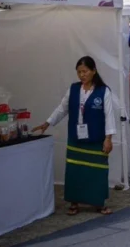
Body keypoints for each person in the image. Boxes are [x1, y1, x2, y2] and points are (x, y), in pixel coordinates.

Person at [32, 57, 117, 215]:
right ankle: (74, 203)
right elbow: (62, 109)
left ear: (93, 71)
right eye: (79, 72)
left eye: (85, 71)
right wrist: (47, 123)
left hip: (96, 138)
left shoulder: (103, 91)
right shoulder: (73, 89)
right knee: (74, 171)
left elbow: (109, 116)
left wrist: (108, 139)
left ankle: (99, 203)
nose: (82, 75)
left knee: (96, 172)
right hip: (76, 138)